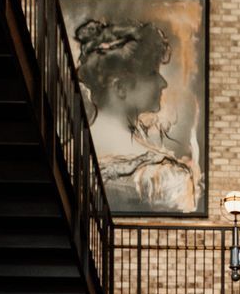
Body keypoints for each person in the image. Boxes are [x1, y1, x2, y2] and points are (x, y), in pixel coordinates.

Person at [74, 18, 200, 213]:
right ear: (121, 87)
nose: (163, 83)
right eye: (152, 73)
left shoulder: (70, 153)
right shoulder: (164, 176)